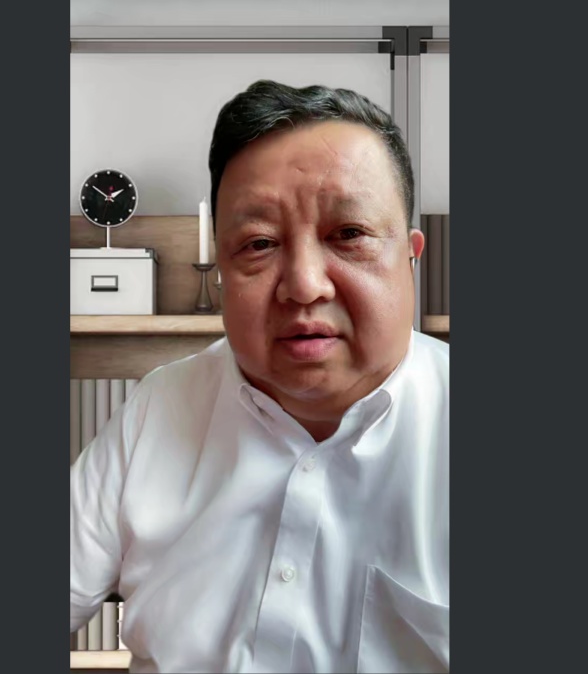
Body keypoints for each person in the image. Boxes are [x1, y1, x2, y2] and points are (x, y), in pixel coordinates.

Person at [70, 80, 449, 673]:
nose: (304, 285)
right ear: (222, 267)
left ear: (410, 255)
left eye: (349, 234)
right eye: (260, 243)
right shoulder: (158, 409)